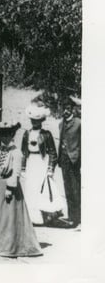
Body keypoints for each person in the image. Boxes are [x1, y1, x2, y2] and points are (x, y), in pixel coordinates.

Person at [0, 121, 42, 258]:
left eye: (7, 135)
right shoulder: (0, 150)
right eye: (2, 135)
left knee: (9, 218)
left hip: (8, 187)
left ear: (12, 135)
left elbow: (16, 172)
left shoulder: (16, 152)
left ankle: (11, 245)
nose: (4, 138)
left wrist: (10, 189)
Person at [20, 104, 66, 226]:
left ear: (41, 121)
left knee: (43, 189)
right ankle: (32, 218)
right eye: (33, 120)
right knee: (30, 189)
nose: (35, 123)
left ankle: (45, 217)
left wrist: (50, 169)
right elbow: (24, 152)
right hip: (31, 164)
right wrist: (23, 168)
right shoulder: (26, 134)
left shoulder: (46, 134)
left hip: (42, 163)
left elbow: (52, 153)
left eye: (37, 120)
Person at [58, 96, 81, 227]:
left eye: (68, 109)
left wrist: (79, 158)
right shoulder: (61, 124)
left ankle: (77, 217)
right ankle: (71, 217)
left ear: (72, 109)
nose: (65, 111)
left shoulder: (78, 123)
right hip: (64, 160)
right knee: (67, 189)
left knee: (75, 189)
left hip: (74, 160)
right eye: (64, 109)